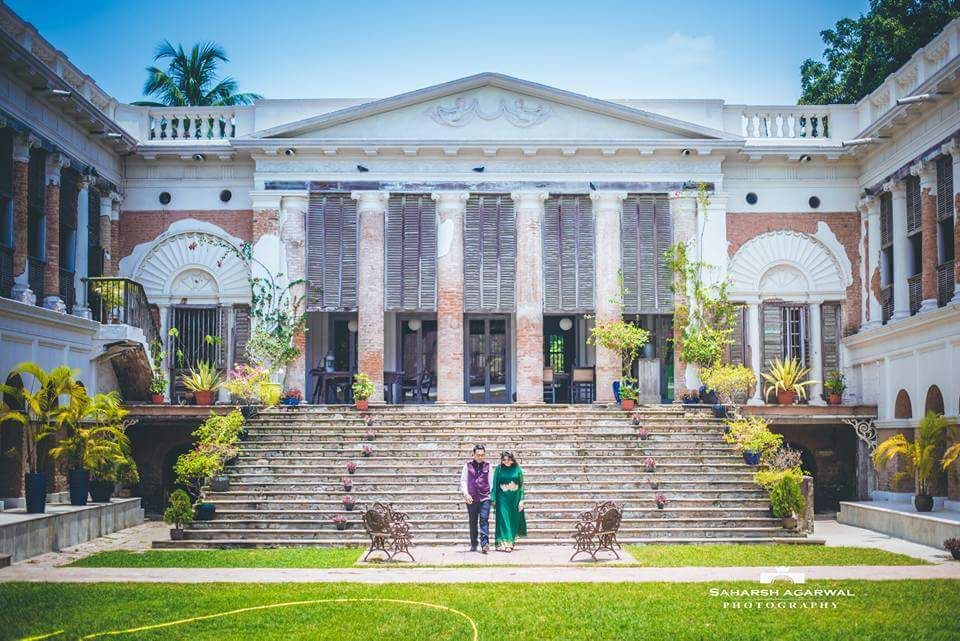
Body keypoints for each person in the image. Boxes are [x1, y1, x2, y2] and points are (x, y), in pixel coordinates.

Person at [459, 444, 494, 553]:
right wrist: (466, 494)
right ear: (473, 455)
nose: (480, 457)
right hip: (471, 498)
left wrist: (489, 495)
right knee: (473, 521)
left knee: (484, 520)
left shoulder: (488, 466)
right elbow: (463, 481)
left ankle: (485, 544)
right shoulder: (467, 466)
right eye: (478, 455)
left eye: (482, 455)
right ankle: (474, 543)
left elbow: (491, 482)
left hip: (484, 498)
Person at [491, 450, 527, 552]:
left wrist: (522, 500)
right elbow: (495, 483)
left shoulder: (517, 469)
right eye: (504, 460)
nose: (506, 461)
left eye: (508, 459)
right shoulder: (499, 469)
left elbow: (522, 486)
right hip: (502, 498)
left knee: (512, 520)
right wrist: (493, 498)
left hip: (515, 498)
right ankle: (506, 544)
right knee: (504, 520)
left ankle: (510, 541)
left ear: (512, 459)